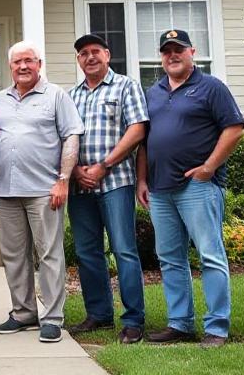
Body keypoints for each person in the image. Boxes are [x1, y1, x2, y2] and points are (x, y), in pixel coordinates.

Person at [136, 29, 244, 349]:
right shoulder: (152, 92)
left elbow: (234, 129)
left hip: (198, 188)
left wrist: (209, 167)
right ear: (161, 56)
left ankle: (217, 327)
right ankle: (180, 323)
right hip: (159, 189)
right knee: (169, 258)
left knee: (210, 256)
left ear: (192, 52)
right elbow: (144, 141)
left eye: (178, 49)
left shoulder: (211, 87)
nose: (172, 55)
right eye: (167, 51)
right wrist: (142, 180)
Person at [0, 41, 83, 344]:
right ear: (10, 66)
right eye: (17, 62)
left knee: (49, 254)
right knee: (14, 255)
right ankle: (24, 312)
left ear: (40, 63)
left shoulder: (56, 96)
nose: (23, 66)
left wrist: (63, 179)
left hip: (44, 190)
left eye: (29, 60)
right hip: (7, 191)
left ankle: (52, 317)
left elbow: (71, 136)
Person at [67, 33, 149, 345]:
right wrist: (75, 170)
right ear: (78, 60)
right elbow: (63, 137)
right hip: (80, 186)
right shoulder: (71, 95)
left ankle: (133, 320)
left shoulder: (126, 86)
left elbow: (138, 129)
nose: (89, 57)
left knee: (124, 250)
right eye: (83, 53)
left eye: (95, 52)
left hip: (116, 181)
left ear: (107, 54)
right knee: (88, 253)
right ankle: (99, 314)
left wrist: (104, 165)